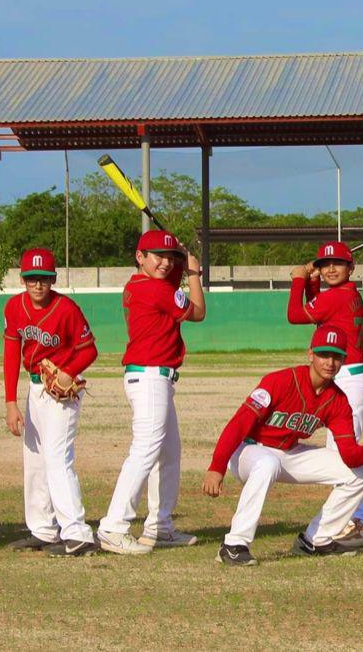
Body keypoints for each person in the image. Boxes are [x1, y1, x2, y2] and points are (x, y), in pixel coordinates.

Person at [201, 326, 363, 566]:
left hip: (287, 453)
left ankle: (316, 540)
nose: (330, 362)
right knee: (267, 462)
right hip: (248, 451)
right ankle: (234, 544)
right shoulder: (280, 381)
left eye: (336, 356)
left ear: (344, 360)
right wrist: (216, 466)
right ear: (310, 354)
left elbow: (349, 455)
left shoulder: (337, 400)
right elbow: (239, 424)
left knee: (360, 474)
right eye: (324, 354)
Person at [97, 229, 207, 555]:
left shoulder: (140, 284)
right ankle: (114, 526)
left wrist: (179, 257)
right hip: (149, 378)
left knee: (169, 453)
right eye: (156, 255)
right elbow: (198, 312)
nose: (163, 262)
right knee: (145, 450)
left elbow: (168, 281)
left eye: (168, 256)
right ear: (139, 256)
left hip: (154, 378)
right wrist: (193, 272)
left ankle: (160, 527)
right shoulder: (153, 289)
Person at [2, 248, 99, 556]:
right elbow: (10, 355)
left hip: (60, 395)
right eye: (32, 278)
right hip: (34, 391)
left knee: (58, 459)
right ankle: (43, 529)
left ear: (53, 279)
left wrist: (69, 372)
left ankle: (77, 533)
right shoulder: (14, 307)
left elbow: (90, 350)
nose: (38, 285)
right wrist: (10, 402)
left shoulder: (66, 308)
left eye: (44, 278)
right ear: (23, 279)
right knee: (34, 461)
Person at [287, 241, 363, 547]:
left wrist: (299, 280)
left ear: (350, 268)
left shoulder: (339, 295)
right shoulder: (345, 294)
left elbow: (296, 315)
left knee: (344, 457)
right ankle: (361, 521)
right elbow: (319, 314)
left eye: (337, 264)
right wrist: (313, 282)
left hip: (349, 377)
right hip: (349, 375)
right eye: (325, 264)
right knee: (342, 454)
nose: (330, 268)